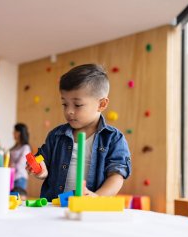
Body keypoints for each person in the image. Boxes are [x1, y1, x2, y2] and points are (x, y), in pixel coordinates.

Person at [26, 64, 131, 201]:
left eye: (77, 105)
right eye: (65, 104)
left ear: (101, 105)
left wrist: (97, 197)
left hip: (90, 211)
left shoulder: (113, 139)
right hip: (54, 208)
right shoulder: (56, 135)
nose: (69, 111)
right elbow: (44, 164)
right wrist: (40, 170)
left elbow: (116, 176)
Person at [9, 123, 32, 197]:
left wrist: (10, 165)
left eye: (15, 131)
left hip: (20, 178)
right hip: (11, 177)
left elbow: (20, 164)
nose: (13, 133)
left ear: (19, 133)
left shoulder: (26, 148)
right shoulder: (14, 147)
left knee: (18, 200)